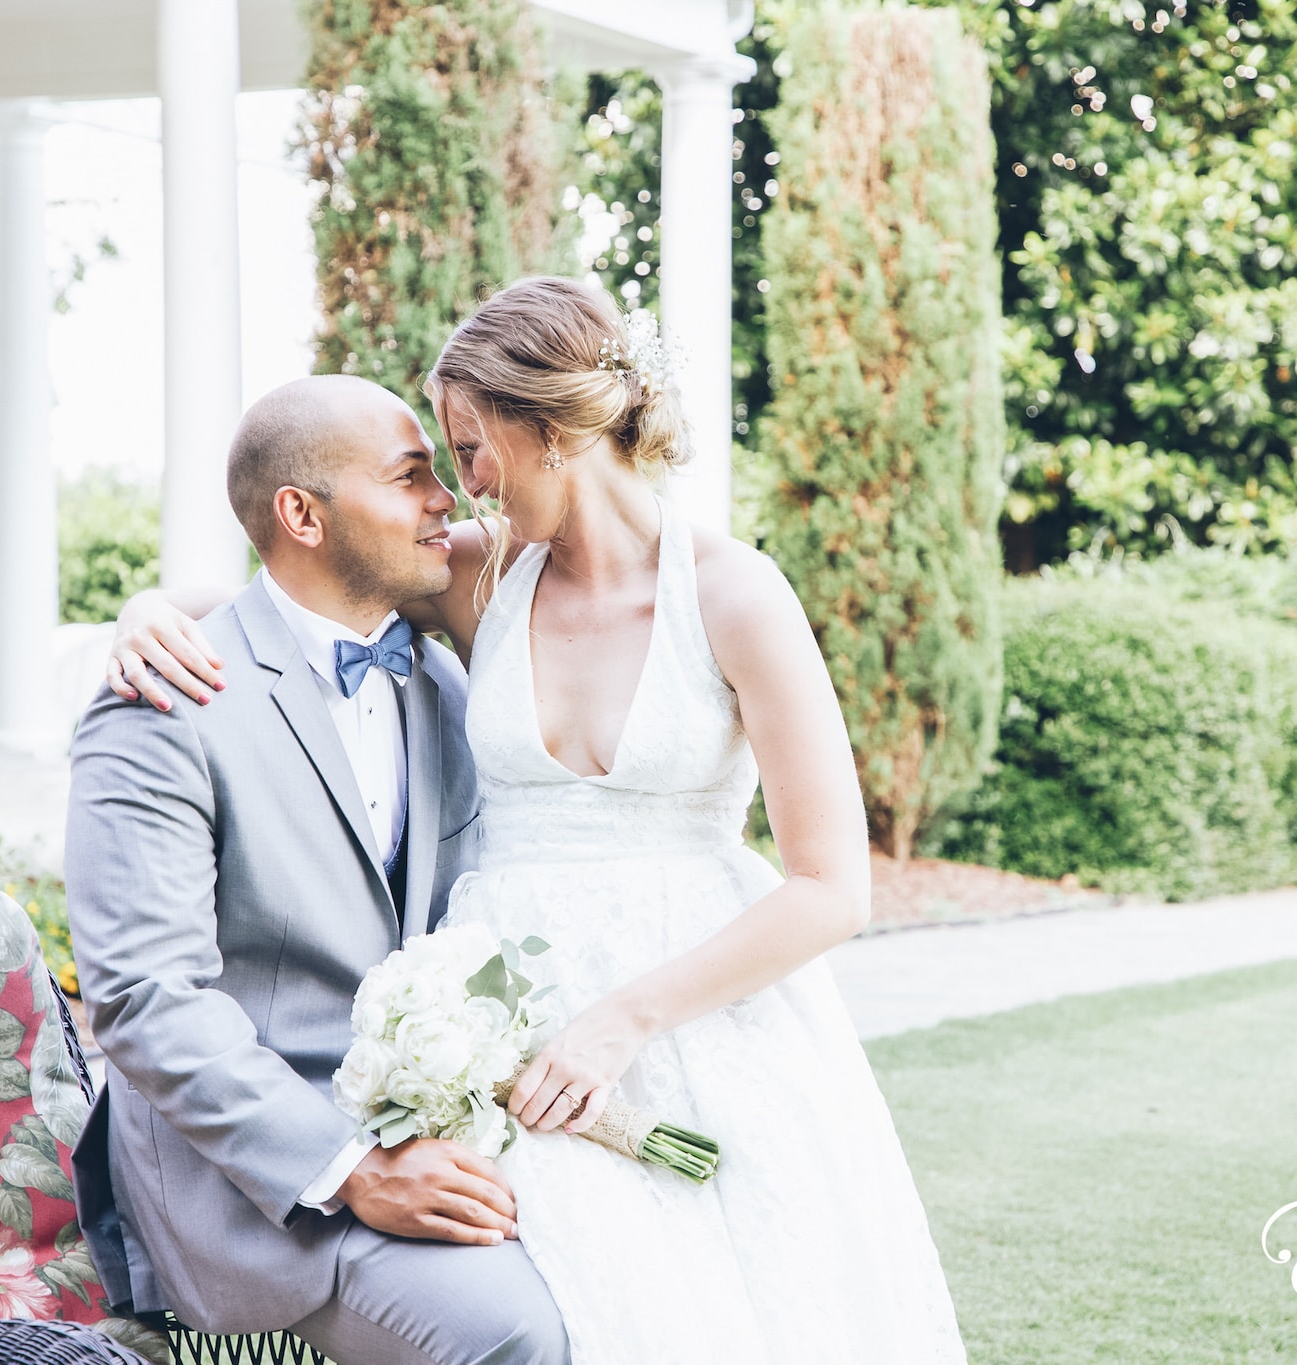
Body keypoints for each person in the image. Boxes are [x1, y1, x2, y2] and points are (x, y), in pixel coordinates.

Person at [106, 276, 965, 1363]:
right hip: (502, 1010)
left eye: (468, 451)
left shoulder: (737, 599)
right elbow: (292, 587)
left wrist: (625, 1022)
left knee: (742, 1309)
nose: (460, 491)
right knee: (566, 1311)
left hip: (693, 1000)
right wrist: (146, 612)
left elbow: (831, 887)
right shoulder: (484, 579)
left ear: (548, 431)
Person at [64, 373, 570, 1365]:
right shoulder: (160, 706)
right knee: (513, 1333)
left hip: (441, 1120)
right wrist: (351, 1168)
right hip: (252, 1186)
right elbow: (144, 1000)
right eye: (411, 475)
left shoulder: (445, 677)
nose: (446, 501)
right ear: (301, 513)